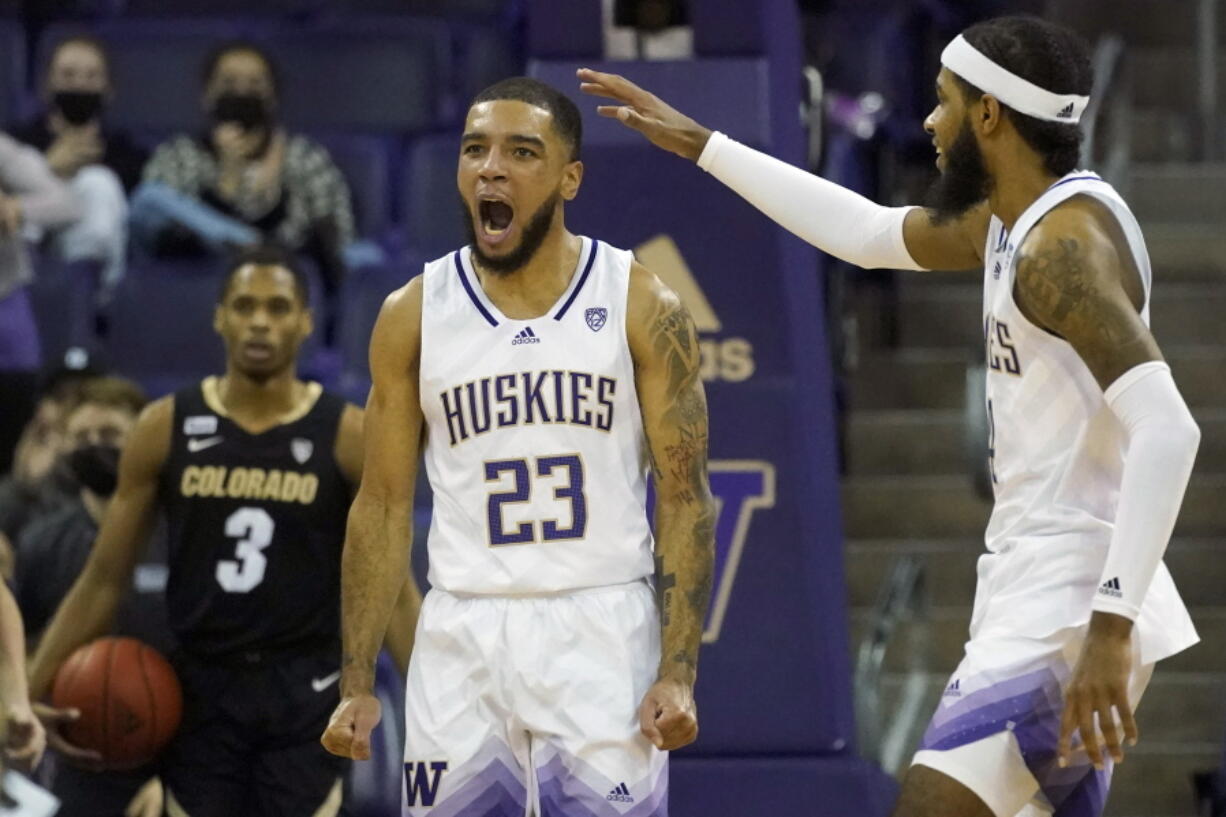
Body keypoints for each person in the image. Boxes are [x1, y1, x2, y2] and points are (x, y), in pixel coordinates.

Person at [579, 14, 1200, 817]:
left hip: (1071, 604)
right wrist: (705, 145)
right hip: (1046, 587)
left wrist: (1111, 630)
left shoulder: (1062, 252)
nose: (930, 123)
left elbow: (1169, 427)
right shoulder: (1022, 219)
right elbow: (872, 234)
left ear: (990, 117)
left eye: (944, 103)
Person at [320, 76, 715, 815]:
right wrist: (357, 680)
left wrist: (679, 669)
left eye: (521, 152)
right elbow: (380, 505)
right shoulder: (412, 313)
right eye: (475, 150)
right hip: (463, 628)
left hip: (600, 627)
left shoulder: (638, 301)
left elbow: (687, 496)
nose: (491, 168)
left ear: (570, 178)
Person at [27, 246, 419, 816]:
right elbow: (103, 580)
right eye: (245, 305)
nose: (260, 320)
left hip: (303, 693)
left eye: (279, 307)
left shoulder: (347, 434)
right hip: (200, 693)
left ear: (307, 321)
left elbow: (397, 594)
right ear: (220, 317)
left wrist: (441, 707)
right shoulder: (164, 427)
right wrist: (28, 689)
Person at [13, 375, 172, 817]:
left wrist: (181, 775)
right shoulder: (40, 540)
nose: (94, 445)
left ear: (142, 441)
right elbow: (15, 646)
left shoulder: (184, 534)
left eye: (109, 435)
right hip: (71, 757)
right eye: (81, 436)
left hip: (171, 756)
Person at [130, 40, 359, 332]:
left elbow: (337, 242)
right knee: (150, 197)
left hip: (283, 296)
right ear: (206, 94)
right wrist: (225, 186)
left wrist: (272, 199)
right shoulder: (178, 156)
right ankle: (248, 243)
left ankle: (250, 245)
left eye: (254, 83)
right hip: (194, 298)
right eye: (228, 82)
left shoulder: (304, 159)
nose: (241, 92)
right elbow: (158, 239)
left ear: (273, 97)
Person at [12, 36, 149, 293]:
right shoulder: (19, 142)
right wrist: (48, 168)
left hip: (100, 258)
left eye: (91, 76)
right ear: (46, 85)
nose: (79, 85)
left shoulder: (126, 151)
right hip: (30, 252)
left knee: (98, 182)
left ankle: (87, 302)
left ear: (109, 89)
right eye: (68, 75)